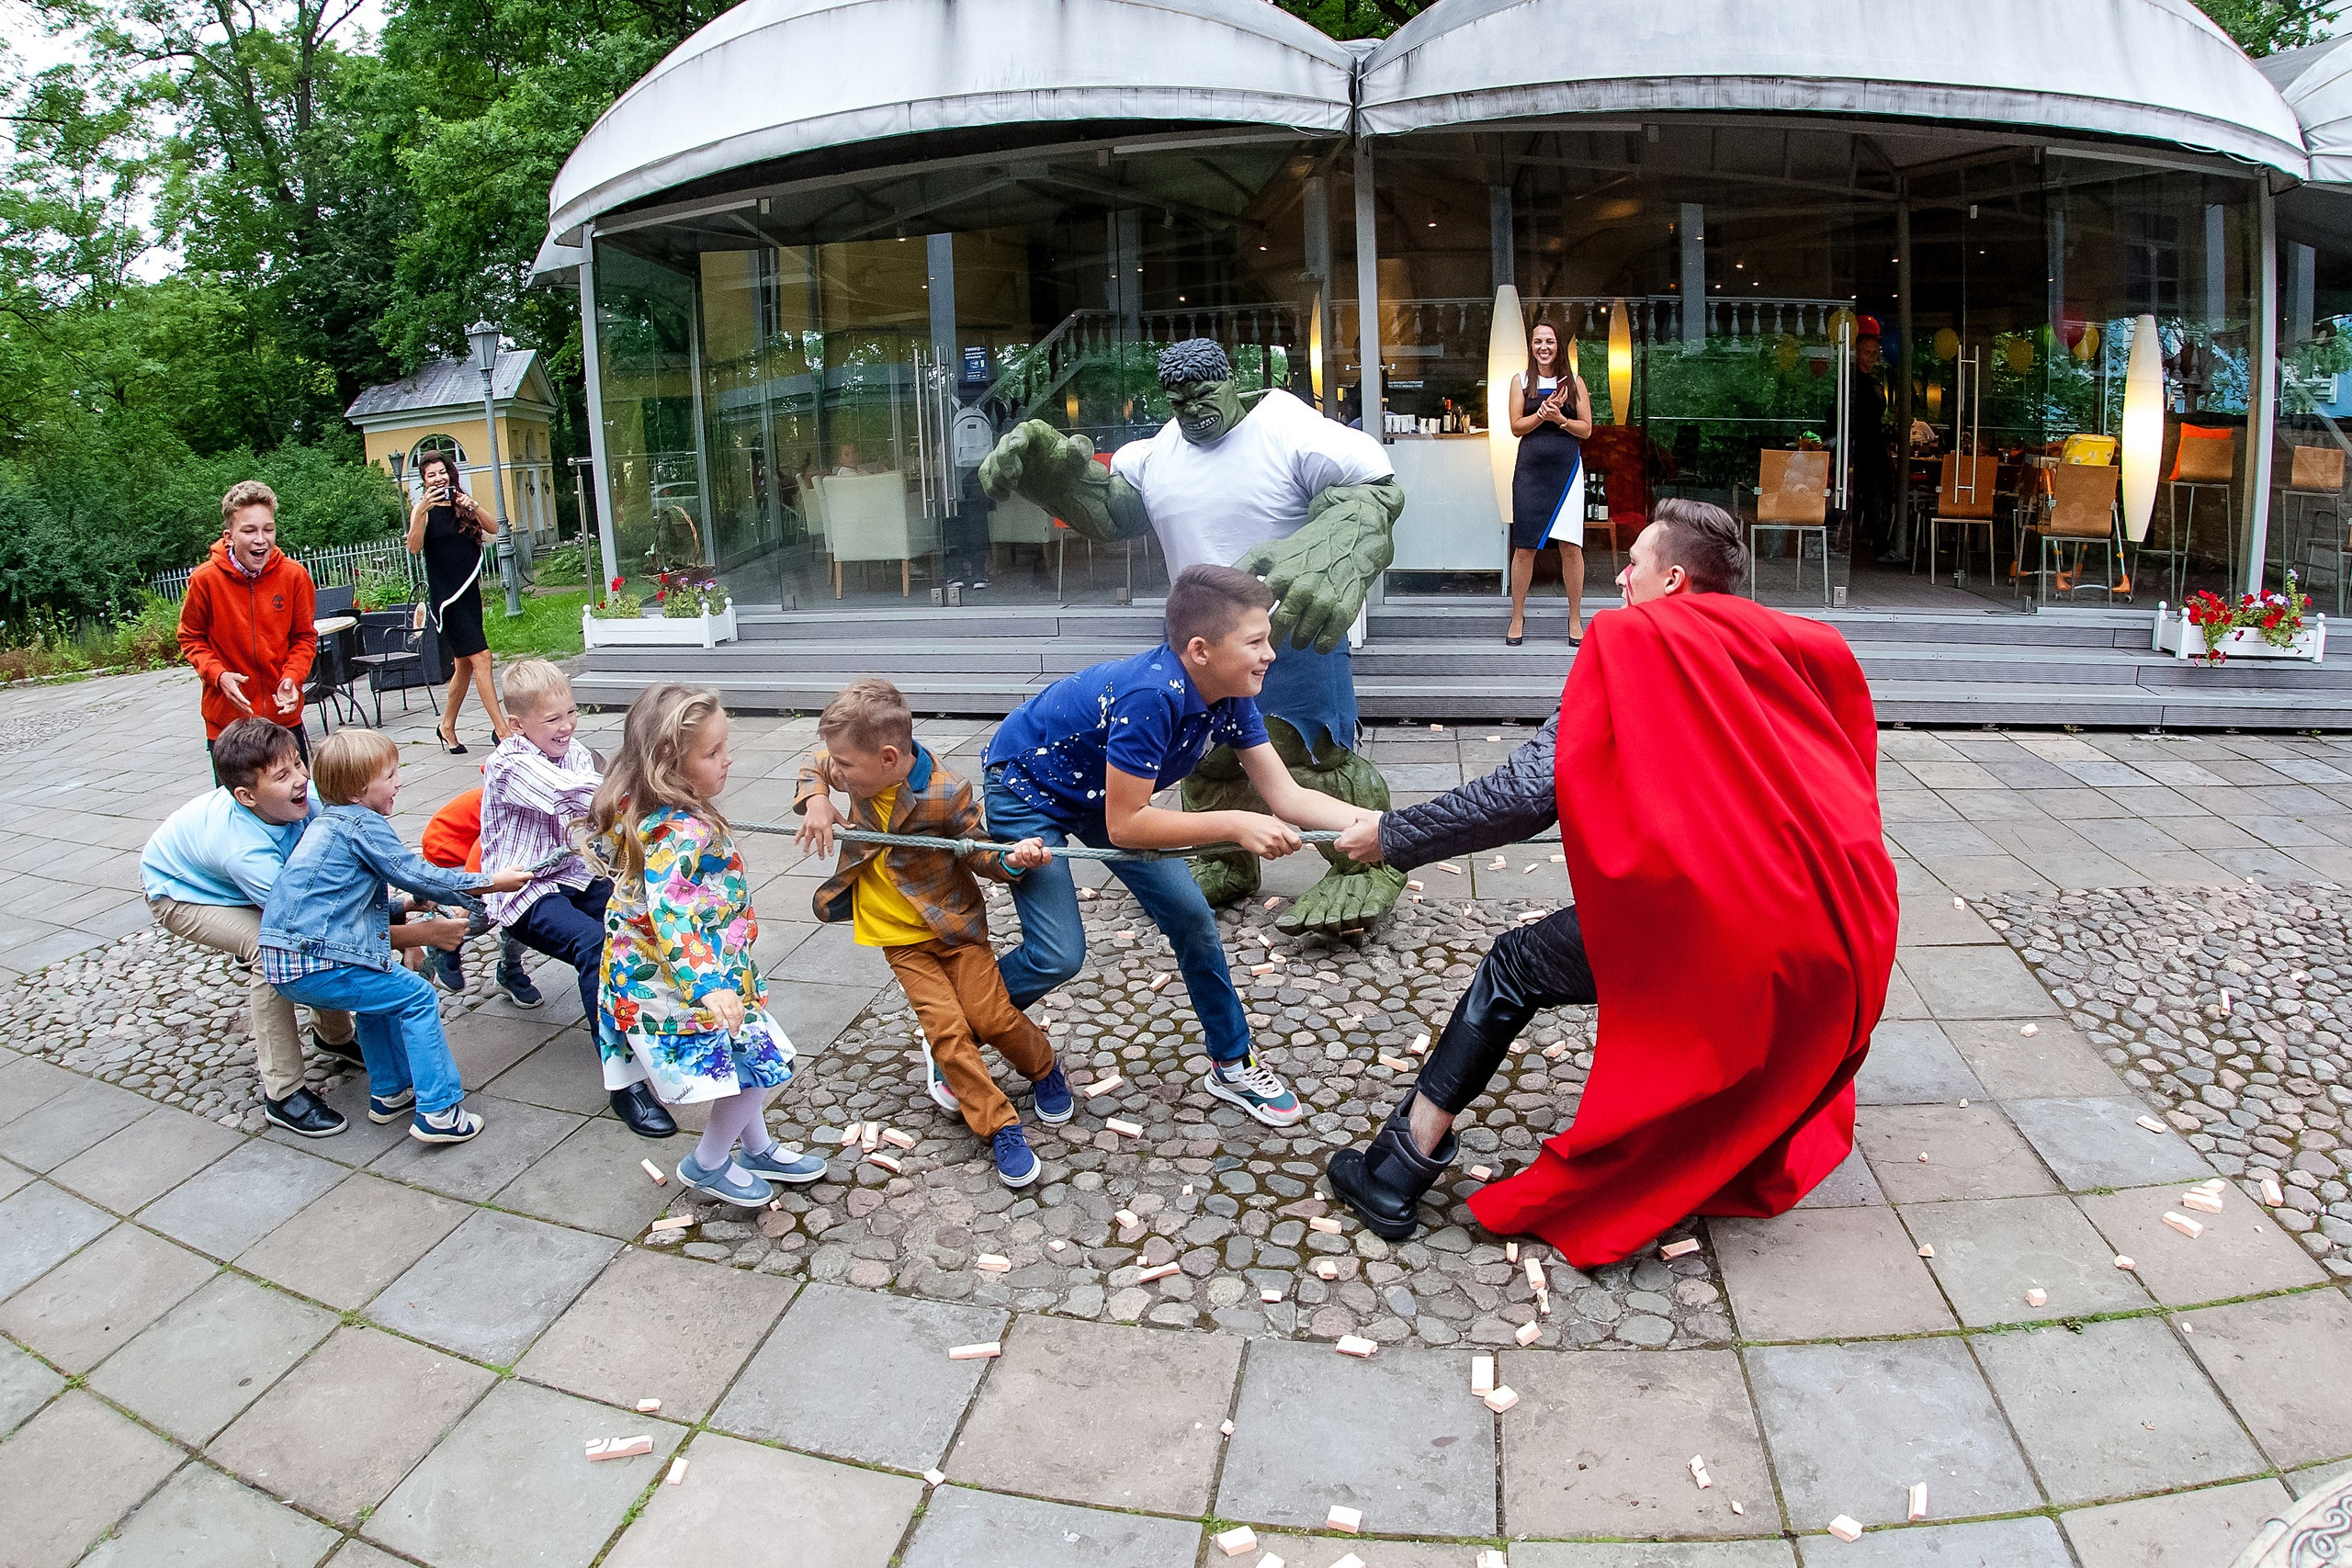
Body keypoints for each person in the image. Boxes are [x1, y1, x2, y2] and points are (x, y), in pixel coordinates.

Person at [1324, 501, 1898, 1265]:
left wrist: (1392, 835)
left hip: (1723, 919)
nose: (1619, 577)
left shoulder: (1635, 642)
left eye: (1632, 563)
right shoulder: (1779, 644)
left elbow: (1526, 795)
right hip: (1833, 925)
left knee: (1515, 965)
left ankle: (1397, 1167)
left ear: (1672, 578)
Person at [980, 339, 1407, 936]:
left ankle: (1366, 862)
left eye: (1204, 394)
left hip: (1289, 634)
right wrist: (1055, 477)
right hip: (1199, 650)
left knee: (1313, 759)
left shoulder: (1286, 427)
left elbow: (1375, 488)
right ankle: (1223, 857)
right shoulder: (1158, 454)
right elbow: (1112, 509)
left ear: (1230, 381)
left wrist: (1334, 540)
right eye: (1178, 399)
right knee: (1206, 763)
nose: (1192, 409)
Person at [982, 565, 1376, 1130]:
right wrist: (1236, 824)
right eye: (1256, 642)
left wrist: (1387, 825)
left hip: (1108, 794)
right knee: (1058, 954)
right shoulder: (1151, 697)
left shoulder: (1231, 691)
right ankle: (958, 1029)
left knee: (1192, 918)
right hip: (1029, 788)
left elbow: (1287, 796)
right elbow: (1127, 827)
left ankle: (1231, 1063)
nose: (1270, 655)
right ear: (1200, 650)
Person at [794, 679, 1058, 1187]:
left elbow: (979, 852)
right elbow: (817, 761)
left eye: (846, 767)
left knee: (993, 1017)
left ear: (889, 757)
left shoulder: (945, 790)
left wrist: (1014, 858)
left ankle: (1045, 1069)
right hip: (899, 938)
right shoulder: (852, 763)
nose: (840, 771)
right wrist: (817, 800)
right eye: (840, 766)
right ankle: (999, 1125)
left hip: (956, 929)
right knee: (948, 1033)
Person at [585, 684, 820, 1205]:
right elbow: (669, 912)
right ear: (669, 759)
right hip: (674, 982)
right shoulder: (678, 830)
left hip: (682, 969)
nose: (728, 760)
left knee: (746, 1056)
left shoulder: (648, 808)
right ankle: (708, 1163)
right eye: (713, 752)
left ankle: (755, 1146)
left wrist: (740, 978)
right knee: (764, 1062)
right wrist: (711, 985)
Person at [259, 730, 529, 1145]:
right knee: (417, 997)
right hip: (319, 957)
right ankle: (439, 1112)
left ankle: (390, 1092)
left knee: (380, 999)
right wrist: (491, 882)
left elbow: (338, 905)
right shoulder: (360, 824)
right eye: (389, 775)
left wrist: (404, 906)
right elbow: (417, 872)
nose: (399, 781)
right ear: (357, 790)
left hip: (292, 959)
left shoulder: (327, 825)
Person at [481, 658, 678, 1140]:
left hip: (574, 873)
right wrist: (654, 781)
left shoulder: (572, 750)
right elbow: (578, 796)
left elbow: (601, 822)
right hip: (522, 888)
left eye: (570, 712)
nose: (567, 725)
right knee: (596, 946)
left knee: (639, 922)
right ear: (517, 724)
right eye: (552, 719)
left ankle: (656, 1028)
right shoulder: (509, 764)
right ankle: (623, 1081)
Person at [141, 718, 360, 1137]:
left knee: (309, 942)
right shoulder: (244, 851)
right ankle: (283, 1094)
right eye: (283, 775)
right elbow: (305, 919)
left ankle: (334, 1037)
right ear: (246, 796)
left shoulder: (302, 797)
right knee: (272, 951)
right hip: (180, 892)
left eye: (299, 763)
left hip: (233, 878)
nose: (301, 779)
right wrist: (404, 927)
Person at [178, 480, 320, 776]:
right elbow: (191, 637)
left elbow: (304, 638)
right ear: (228, 537)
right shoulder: (205, 580)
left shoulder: (295, 576)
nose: (261, 540)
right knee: (237, 816)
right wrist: (219, 675)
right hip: (229, 728)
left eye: (268, 529)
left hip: (283, 722)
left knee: (296, 810)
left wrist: (292, 678)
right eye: (249, 531)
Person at [406, 449, 511, 755]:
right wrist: (421, 513)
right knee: (482, 657)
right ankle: (502, 731)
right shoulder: (421, 510)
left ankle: (447, 725)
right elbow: (414, 548)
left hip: (469, 593)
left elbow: (493, 528)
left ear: (451, 473)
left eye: (442, 472)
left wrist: (473, 506)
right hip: (447, 599)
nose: (438, 478)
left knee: (463, 665)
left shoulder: (462, 503)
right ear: (424, 481)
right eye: (430, 475)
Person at [1505, 321, 1594, 647]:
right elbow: (1516, 427)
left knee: (1571, 547)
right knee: (1525, 546)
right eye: (1538, 341)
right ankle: (1517, 617)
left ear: (1559, 346)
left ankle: (1574, 618)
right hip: (1530, 473)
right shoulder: (1521, 381)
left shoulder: (1575, 382)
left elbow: (1586, 430)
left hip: (1567, 472)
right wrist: (1542, 415)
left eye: (1550, 341)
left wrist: (1561, 420)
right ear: (1531, 345)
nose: (1544, 347)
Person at [418, 785, 544, 1006]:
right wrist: (468, 901)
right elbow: (479, 857)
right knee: (497, 905)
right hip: (448, 853)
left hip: (472, 848)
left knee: (526, 899)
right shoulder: (515, 801)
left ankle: (509, 969)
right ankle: (445, 939)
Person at [1844, 321, 1899, 563]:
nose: (1872, 357)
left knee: (1875, 496)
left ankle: (1875, 543)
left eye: (1875, 353)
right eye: (1867, 352)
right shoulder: (1853, 381)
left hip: (1873, 446)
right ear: (1856, 353)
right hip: (1860, 445)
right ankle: (1877, 545)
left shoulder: (1873, 382)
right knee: (1867, 496)